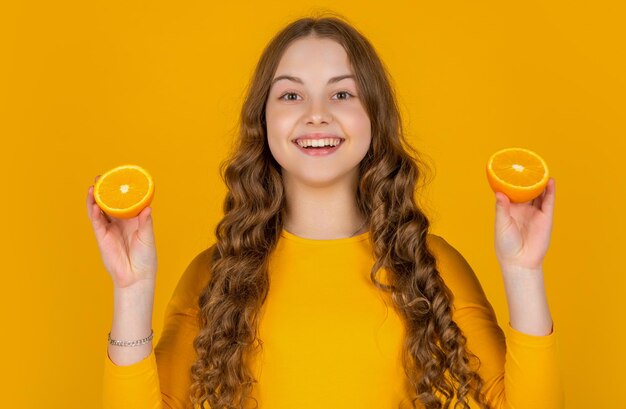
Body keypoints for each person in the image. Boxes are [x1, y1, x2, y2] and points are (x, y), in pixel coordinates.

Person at [87, 14, 563, 409]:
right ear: (264, 121)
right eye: (291, 95)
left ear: (374, 118)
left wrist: (524, 272)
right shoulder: (214, 277)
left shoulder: (433, 268)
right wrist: (132, 290)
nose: (317, 113)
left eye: (342, 94)